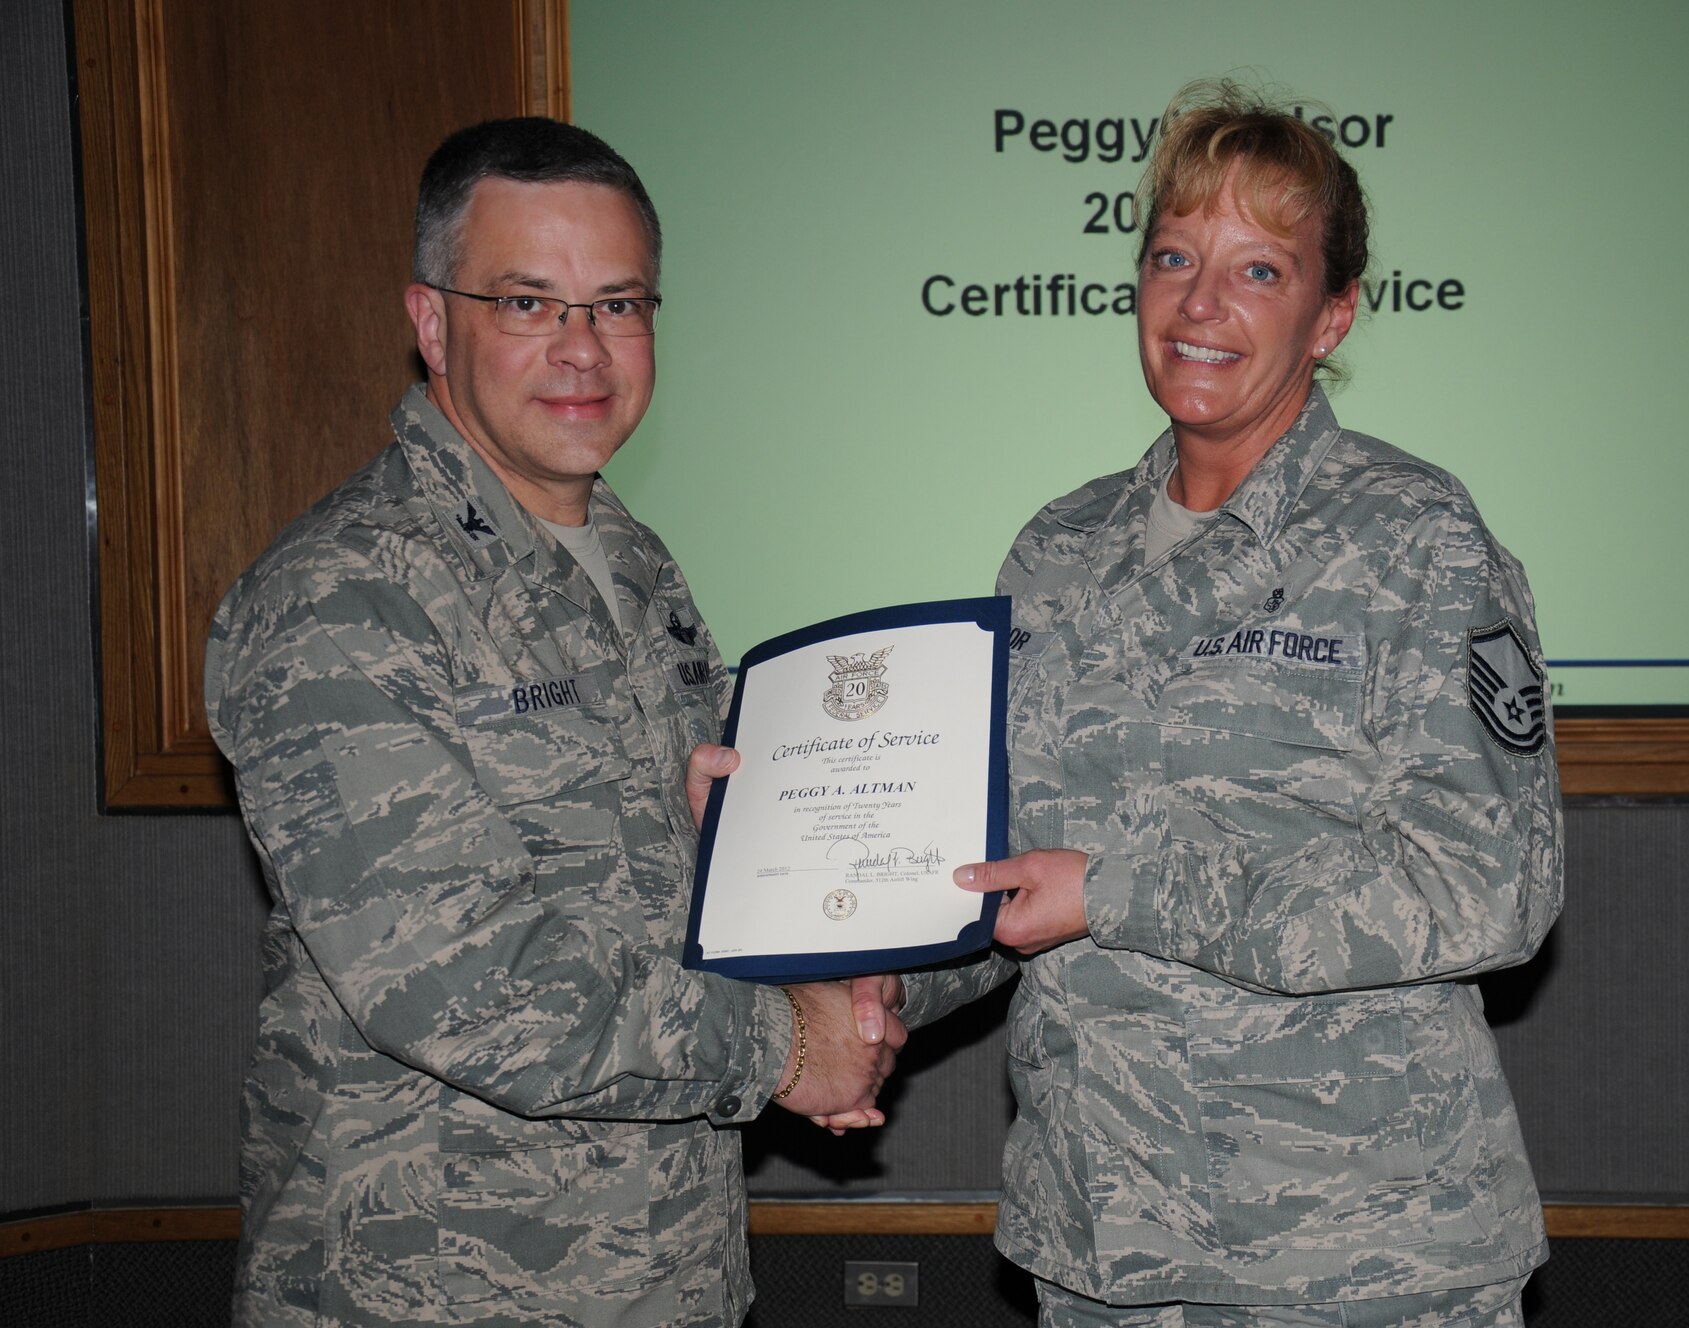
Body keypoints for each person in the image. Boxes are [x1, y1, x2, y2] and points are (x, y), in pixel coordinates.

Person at [872, 80, 1565, 1326]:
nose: (1199, 304)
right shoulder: (1056, 547)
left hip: (1359, 1259)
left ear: (1329, 314)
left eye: (1257, 270)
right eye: (1175, 257)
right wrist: (866, 991)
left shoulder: (1416, 539)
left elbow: (1487, 890)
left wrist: (1124, 886)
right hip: (1100, 1248)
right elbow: (999, 872)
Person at [205, 117, 904, 1328]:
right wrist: (788, 1050)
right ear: (432, 322)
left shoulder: (628, 563)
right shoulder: (344, 595)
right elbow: (457, 978)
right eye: (528, 303)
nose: (583, 350)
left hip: (661, 1277)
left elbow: (656, 887)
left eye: (618, 304)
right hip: (429, 1292)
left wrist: (845, 954)